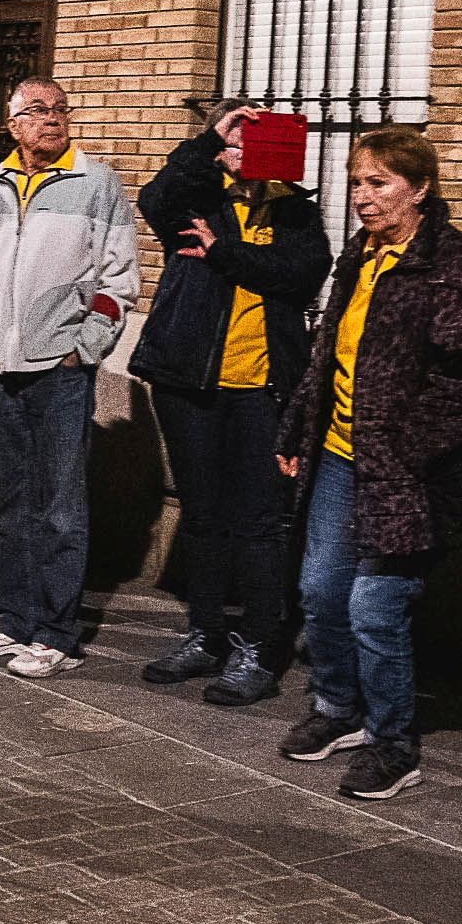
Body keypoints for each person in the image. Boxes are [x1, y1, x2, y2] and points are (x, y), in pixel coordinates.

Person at [269, 126, 462, 799]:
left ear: (420, 187)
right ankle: (338, 707)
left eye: (379, 183)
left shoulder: (456, 263)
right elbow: (327, 355)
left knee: (375, 604)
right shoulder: (360, 254)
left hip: (407, 471)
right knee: (318, 590)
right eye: (356, 182)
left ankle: (393, 742)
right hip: (340, 455)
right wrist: (295, 428)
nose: (362, 198)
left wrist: (403, 442)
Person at [129, 104, 331, 704]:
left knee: (260, 520)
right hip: (188, 381)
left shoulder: (295, 210)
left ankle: (260, 646)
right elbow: (154, 202)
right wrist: (208, 138)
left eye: (253, 143)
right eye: (234, 143)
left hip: (263, 388)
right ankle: (206, 634)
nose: (242, 153)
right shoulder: (197, 201)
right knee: (203, 512)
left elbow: (300, 273)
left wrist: (222, 253)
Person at [0, 77, 138, 679]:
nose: (52, 119)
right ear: (12, 123)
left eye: (60, 109)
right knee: (10, 503)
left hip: (59, 369)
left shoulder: (97, 183)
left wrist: (84, 349)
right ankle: (12, 620)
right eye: (37, 110)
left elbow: (118, 280)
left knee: (60, 505)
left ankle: (57, 630)